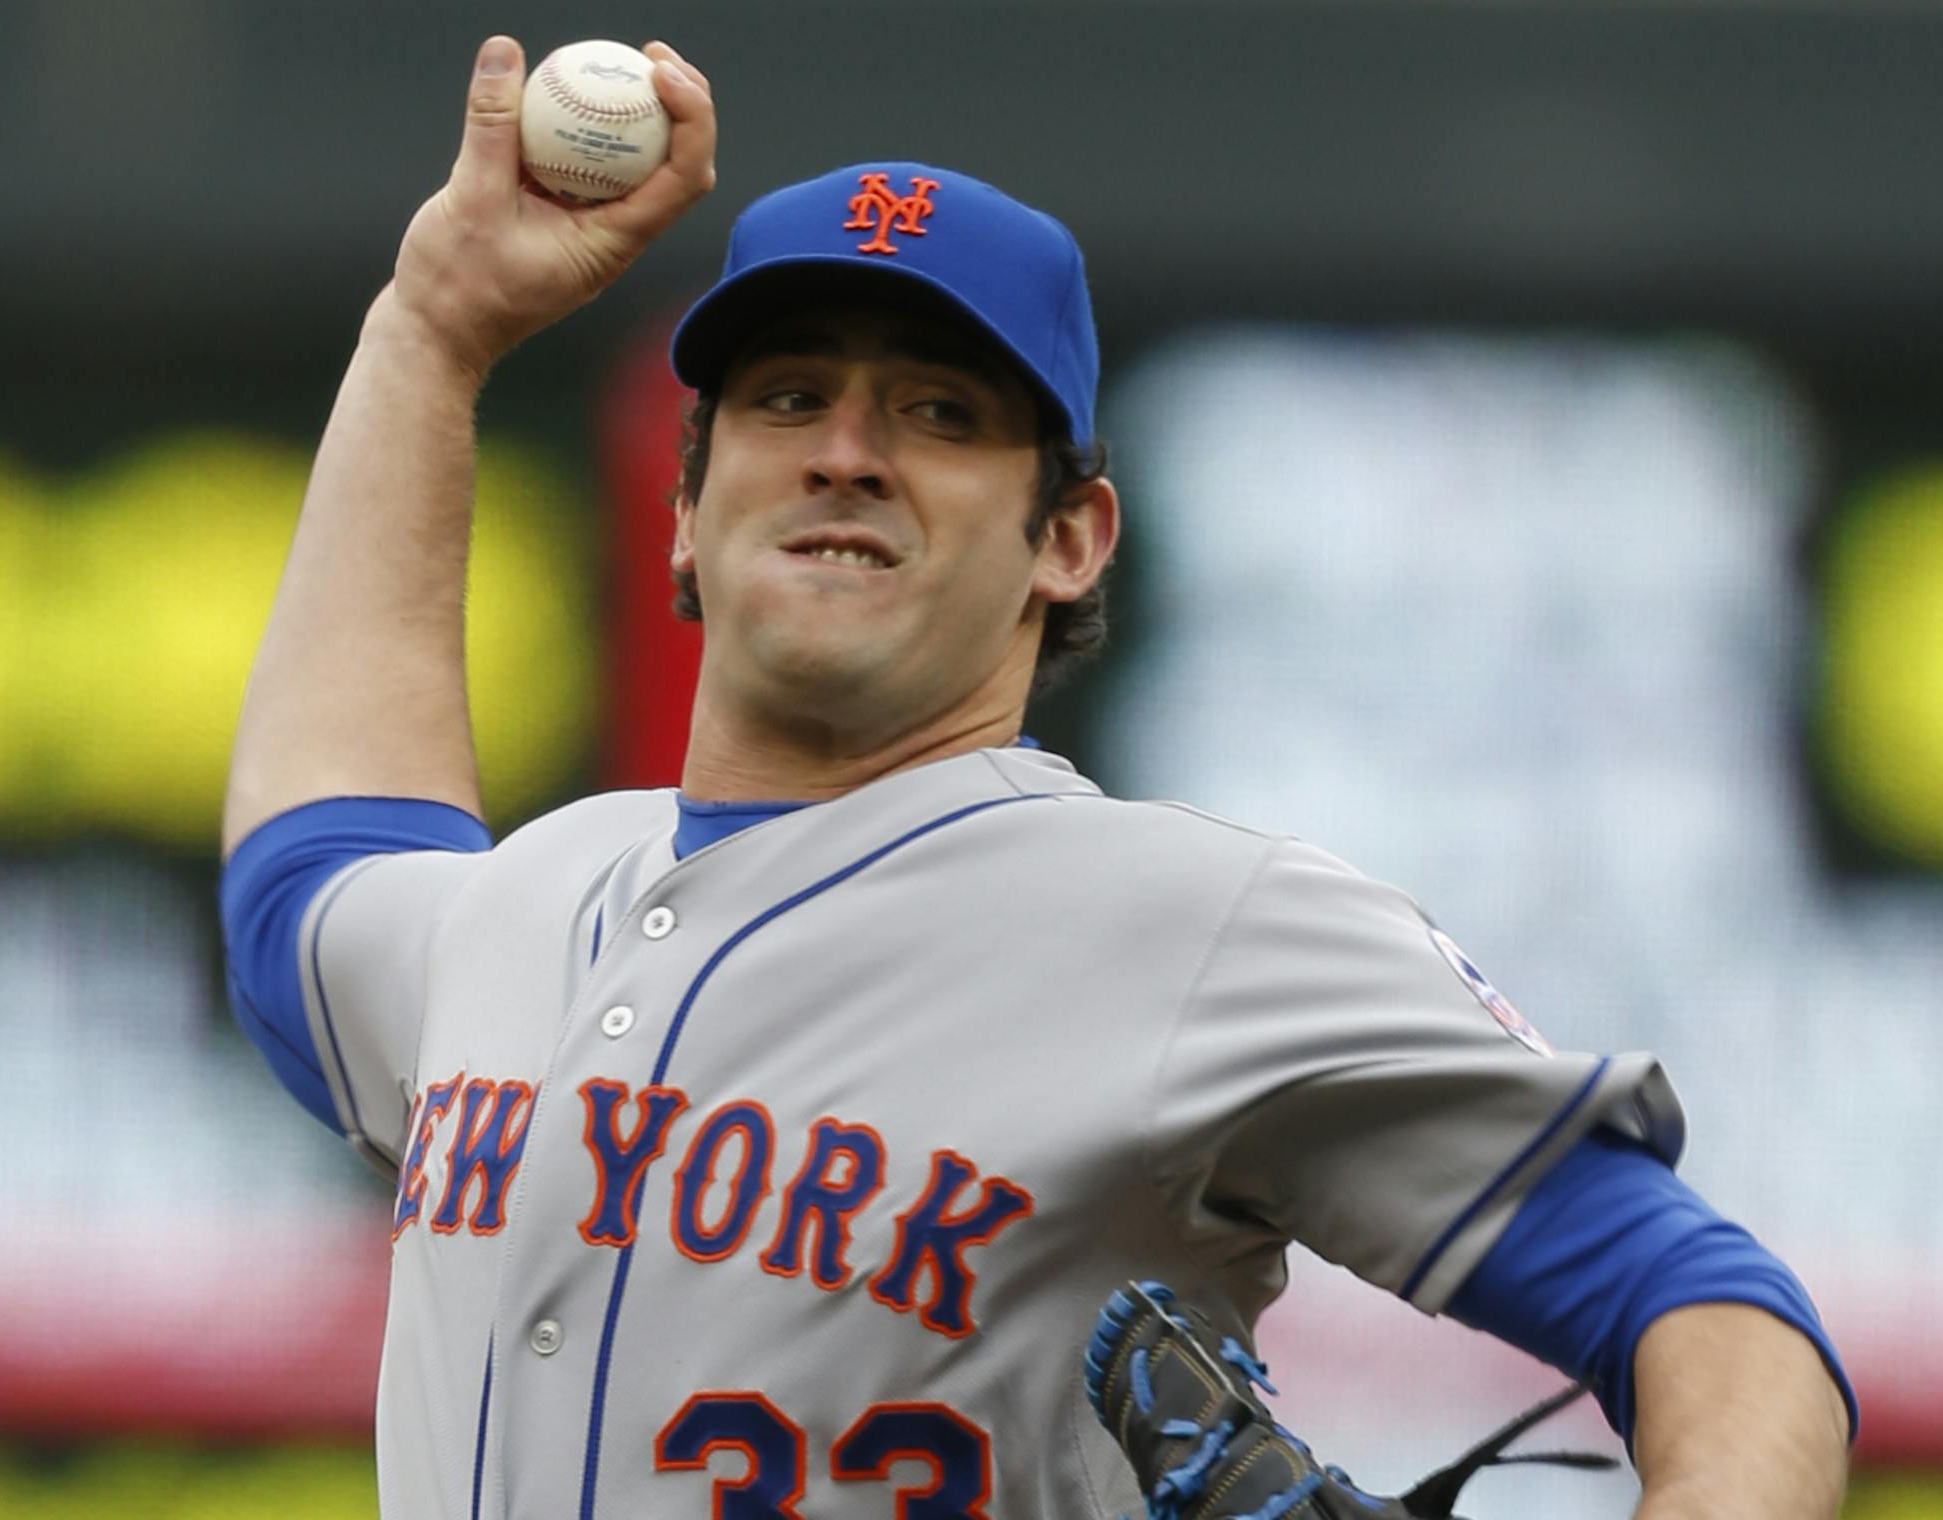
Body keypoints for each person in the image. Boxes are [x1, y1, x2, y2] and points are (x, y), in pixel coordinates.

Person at [219, 34, 1855, 1520]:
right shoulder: (524, 906)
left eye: (939, 412)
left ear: (1068, 539)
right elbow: (308, 872)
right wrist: (431, 332)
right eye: (788, 397)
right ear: (685, 514)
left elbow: (1714, 1313)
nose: (846, 450)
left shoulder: (1195, 925)